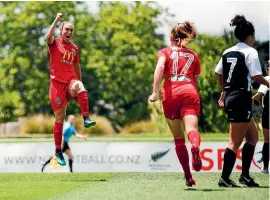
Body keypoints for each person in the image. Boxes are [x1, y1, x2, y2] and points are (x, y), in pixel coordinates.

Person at [215, 15, 269, 187]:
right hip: (240, 97)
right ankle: (224, 178)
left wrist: (224, 90)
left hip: (235, 97)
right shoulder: (250, 52)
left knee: (253, 137)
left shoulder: (227, 51)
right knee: (234, 142)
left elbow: (218, 73)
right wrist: (268, 82)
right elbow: (256, 76)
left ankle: (245, 176)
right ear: (250, 36)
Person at [149, 21, 202, 187]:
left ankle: (188, 176)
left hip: (171, 94)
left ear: (171, 37)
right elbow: (195, 81)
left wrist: (155, 91)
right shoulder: (194, 56)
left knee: (179, 139)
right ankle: (195, 146)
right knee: (191, 130)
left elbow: (159, 68)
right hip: (190, 92)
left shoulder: (164, 52)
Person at [47, 13, 96, 166]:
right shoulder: (54, 43)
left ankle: (86, 118)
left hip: (70, 82)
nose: (69, 32)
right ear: (61, 30)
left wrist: (79, 84)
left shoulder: (74, 48)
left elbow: (76, 66)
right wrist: (56, 19)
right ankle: (57, 151)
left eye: (71, 30)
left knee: (81, 87)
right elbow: (47, 36)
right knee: (60, 119)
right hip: (56, 86)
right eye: (66, 29)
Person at [253, 61, 270, 174]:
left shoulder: (267, 79)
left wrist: (247, 100)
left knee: (267, 140)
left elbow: (259, 95)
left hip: (268, 112)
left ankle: (265, 168)